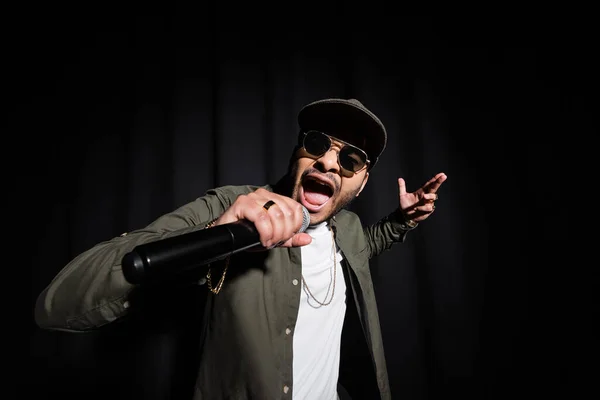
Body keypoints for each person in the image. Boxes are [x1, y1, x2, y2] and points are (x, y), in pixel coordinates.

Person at [34, 98, 447, 400]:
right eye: (318, 144)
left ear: (362, 182)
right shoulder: (233, 207)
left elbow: (365, 247)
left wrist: (402, 221)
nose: (328, 163)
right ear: (299, 152)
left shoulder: (350, 228)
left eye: (351, 159)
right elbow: (58, 305)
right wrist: (216, 235)